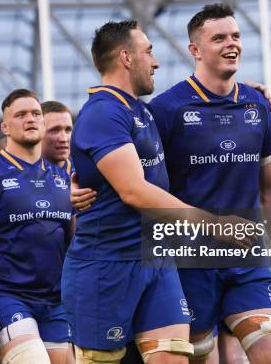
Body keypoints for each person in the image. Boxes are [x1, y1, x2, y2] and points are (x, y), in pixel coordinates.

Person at [64, 19, 256, 364]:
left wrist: (243, 93)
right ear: (126, 58)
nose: (155, 62)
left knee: (175, 357)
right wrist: (213, 224)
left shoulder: (141, 111)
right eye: (149, 51)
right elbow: (135, 192)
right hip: (107, 266)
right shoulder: (103, 114)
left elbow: (196, 104)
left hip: (157, 262)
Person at [144, 3, 271, 363]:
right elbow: (141, 185)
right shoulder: (166, 110)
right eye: (219, 38)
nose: (232, 44)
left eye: (236, 36)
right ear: (195, 50)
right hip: (188, 261)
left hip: (248, 257)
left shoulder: (257, 105)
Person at [0, 89, 73, 364]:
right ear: (5, 127)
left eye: (35, 114)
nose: (30, 119)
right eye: (20, 115)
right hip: (5, 297)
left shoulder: (64, 178)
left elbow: (72, 242)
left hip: (53, 302)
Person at [40, 101, 73, 174]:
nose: (64, 139)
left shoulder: (85, 171)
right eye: (54, 131)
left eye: (68, 130)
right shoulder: (20, 174)